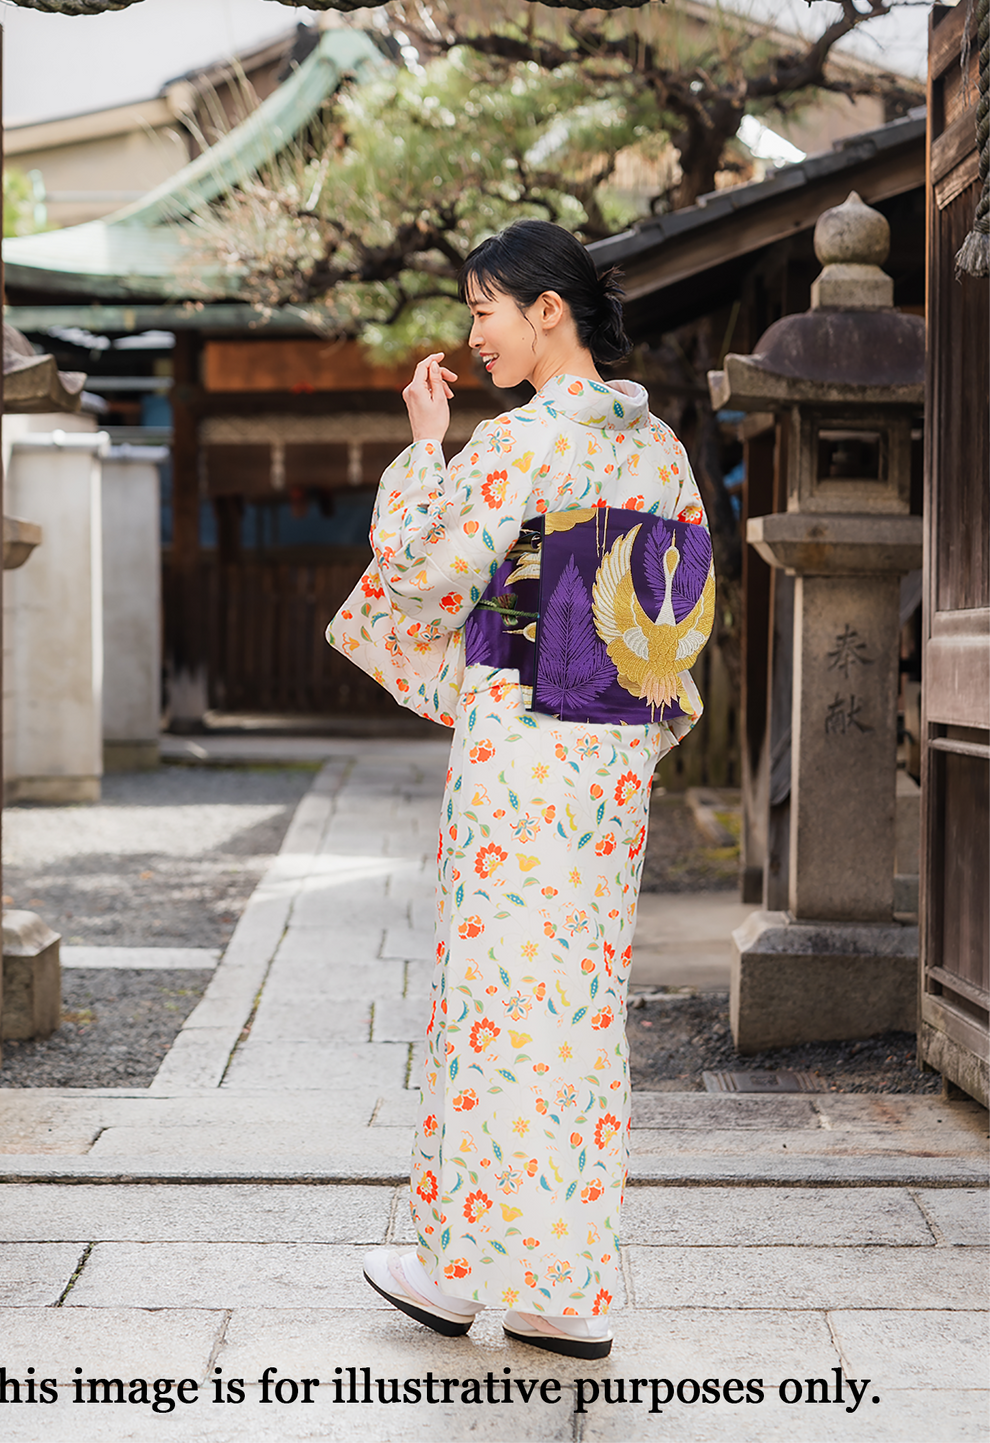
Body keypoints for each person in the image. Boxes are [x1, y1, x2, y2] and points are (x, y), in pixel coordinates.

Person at [327, 218, 710, 1359]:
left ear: (550, 311)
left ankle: (458, 1270)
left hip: (519, 762)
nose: (475, 332)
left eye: (486, 307)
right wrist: (623, 732)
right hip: (606, 769)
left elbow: (420, 579)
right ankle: (565, 1291)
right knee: (580, 1018)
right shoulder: (664, 455)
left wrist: (424, 445)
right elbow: (677, 635)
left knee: (492, 1013)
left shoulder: (519, 443)